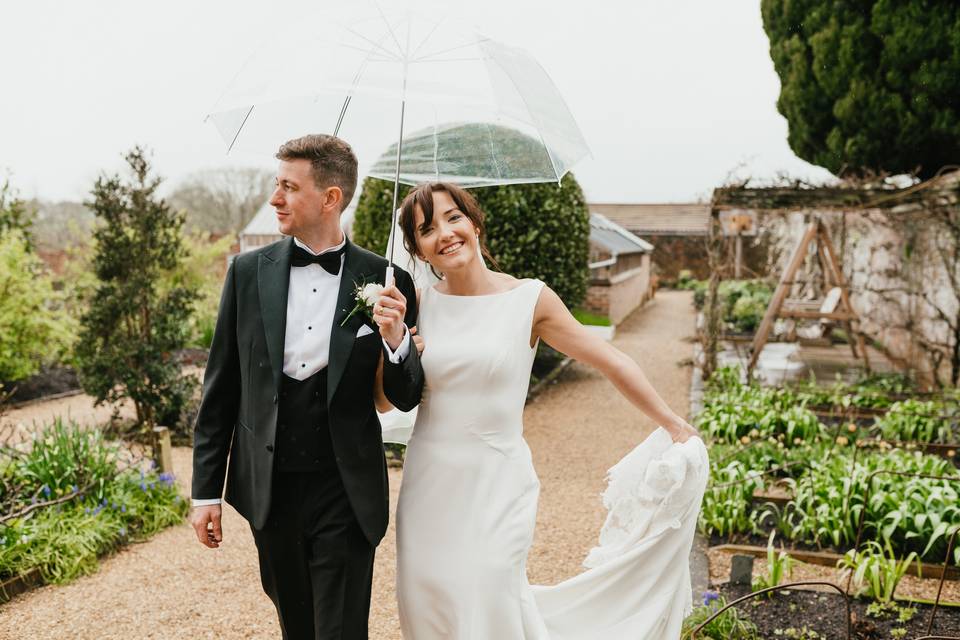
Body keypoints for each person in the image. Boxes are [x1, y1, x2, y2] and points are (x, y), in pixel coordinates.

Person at [391, 182, 708, 639]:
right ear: (418, 249)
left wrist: (673, 423)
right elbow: (385, 399)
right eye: (427, 228)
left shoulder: (529, 300)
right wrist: (397, 345)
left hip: (496, 482)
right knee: (428, 601)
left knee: (491, 593)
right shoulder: (416, 304)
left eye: (453, 217)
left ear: (475, 223)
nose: (444, 233)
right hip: (428, 483)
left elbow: (611, 360)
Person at [189, 134, 424, 640]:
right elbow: (221, 386)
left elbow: (405, 396)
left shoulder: (388, 282)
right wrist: (204, 491)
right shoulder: (247, 273)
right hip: (269, 489)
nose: (275, 198)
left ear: (331, 197)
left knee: (339, 630)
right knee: (296, 626)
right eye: (278, 185)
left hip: (345, 488)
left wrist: (396, 337)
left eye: (288, 187)